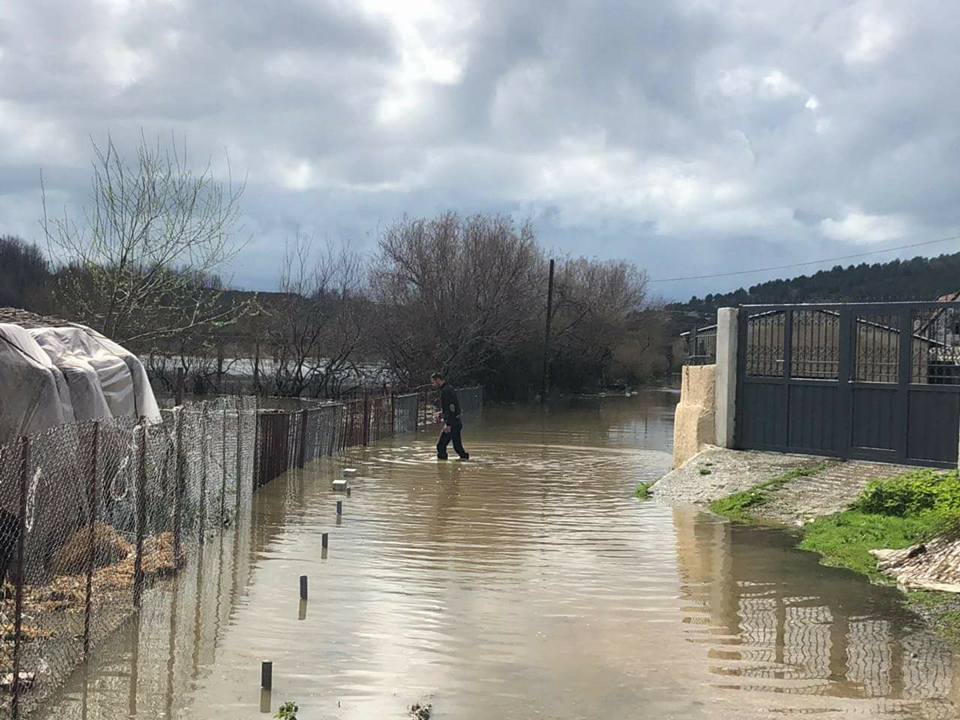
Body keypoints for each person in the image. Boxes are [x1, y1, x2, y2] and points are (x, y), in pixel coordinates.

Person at [431, 372, 469, 460]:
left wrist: (448, 424)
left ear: (438, 380)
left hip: (452, 423)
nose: (433, 385)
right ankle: (464, 459)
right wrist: (441, 413)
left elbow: (452, 408)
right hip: (456, 422)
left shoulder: (446, 391)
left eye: (433, 382)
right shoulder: (448, 388)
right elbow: (451, 407)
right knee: (457, 447)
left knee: (440, 446)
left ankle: (442, 468)